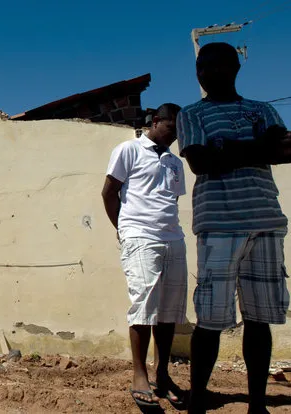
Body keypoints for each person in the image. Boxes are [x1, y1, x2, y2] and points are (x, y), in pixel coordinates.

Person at [177, 42, 291, 414]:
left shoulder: (262, 109)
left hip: (265, 222)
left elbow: (283, 152)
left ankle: (257, 405)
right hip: (218, 225)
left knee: (259, 320)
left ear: (233, 68)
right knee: (210, 320)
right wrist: (257, 147)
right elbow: (200, 162)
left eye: (212, 66)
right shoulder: (191, 114)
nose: (205, 73)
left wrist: (227, 148)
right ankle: (198, 399)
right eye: (200, 68)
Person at [102, 103, 188, 409]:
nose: (176, 135)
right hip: (140, 237)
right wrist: (123, 229)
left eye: (180, 131)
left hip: (174, 239)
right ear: (155, 121)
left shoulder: (175, 163)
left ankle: (162, 375)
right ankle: (139, 375)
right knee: (144, 305)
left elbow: (170, 202)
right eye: (172, 128)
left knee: (168, 312)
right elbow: (109, 192)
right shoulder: (128, 149)